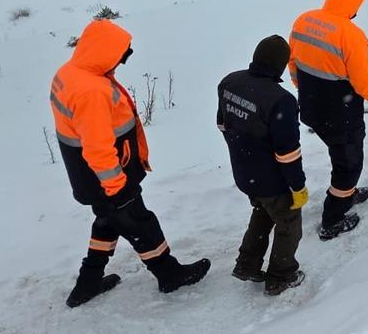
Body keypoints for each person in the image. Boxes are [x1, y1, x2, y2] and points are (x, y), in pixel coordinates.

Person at [51, 19, 209, 308]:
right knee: (139, 223)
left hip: (87, 176)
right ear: (103, 52)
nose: (122, 61)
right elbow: (98, 148)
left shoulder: (70, 72)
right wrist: (116, 186)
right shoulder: (92, 91)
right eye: (120, 54)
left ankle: (87, 284)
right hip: (107, 177)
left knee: (108, 222)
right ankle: (169, 273)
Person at [289, 0, 368, 240]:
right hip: (340, 114)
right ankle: (333, 218)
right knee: (348, 164)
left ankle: (347, 192)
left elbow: (292, 63)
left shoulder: (303, 20)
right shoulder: (350, 34)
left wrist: (303, 89)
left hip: (310, 107)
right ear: (354, 4)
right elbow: (363, 82)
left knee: (339, 154)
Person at [217, 35, 309, 296]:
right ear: (281, 65)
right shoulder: (281, 100)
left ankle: (247, 264)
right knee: (289, 220)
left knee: (263, 211)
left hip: (244, 172)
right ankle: (281, 275)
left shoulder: (229, 82)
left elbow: (222, 124)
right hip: (271, 178)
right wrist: (297, 186)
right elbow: (288, 152)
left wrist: (245, 151)